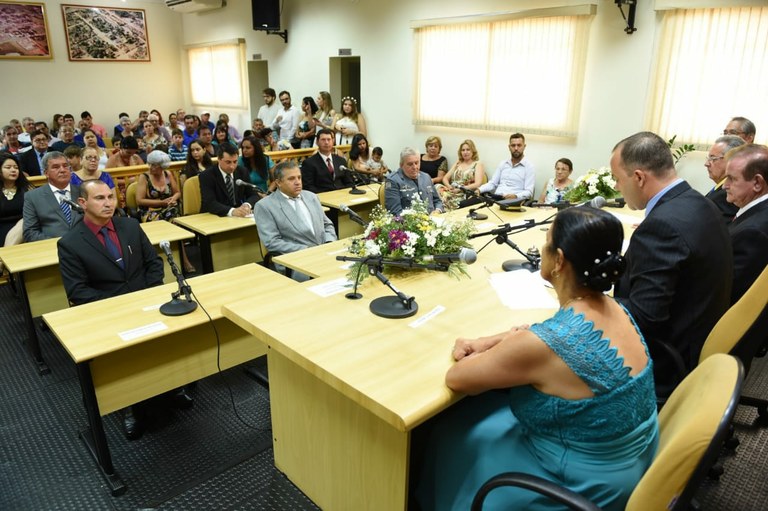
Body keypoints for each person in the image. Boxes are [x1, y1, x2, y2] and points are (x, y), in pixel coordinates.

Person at [415, 206, 658, 511]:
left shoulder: (548, 343)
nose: (542, 250)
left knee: (450, 432)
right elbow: (548, 342)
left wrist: (500, 345)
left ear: (559, 260)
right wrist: (499, 341)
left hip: (582, 486)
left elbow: (458, 378)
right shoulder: (615, 307)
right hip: (631, 463)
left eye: (546, 243)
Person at [57, 179, 193, 440]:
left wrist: (149, 293)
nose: (108, 203)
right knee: (125, 361)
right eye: (100, 198)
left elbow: (153, 264)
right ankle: (129, 406)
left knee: (169, 344)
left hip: (146, 300)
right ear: (83, 203)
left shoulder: (130, 226)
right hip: (108, 312)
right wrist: (121, 305)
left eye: (110, 197)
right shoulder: (70, 243)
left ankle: (173, 386)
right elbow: (77, 291)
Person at [611, 131, 732, 397]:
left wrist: (587, 299)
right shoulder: (700, 203)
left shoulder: (662, 225)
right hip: (697, 343)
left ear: (639, 177)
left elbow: (644, 318)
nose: (617, 187)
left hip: (666, 365)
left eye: (617, 179)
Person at [254, 160, 337, 257]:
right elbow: (272, 242)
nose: (297, 182)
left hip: (325, 252)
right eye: (291, 179)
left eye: (299, 177)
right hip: (296, 257)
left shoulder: (311, 197)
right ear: (278, 183)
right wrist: (308, 250)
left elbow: (327, 225)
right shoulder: (265, 206)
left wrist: (329, 242)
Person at [723, 144, 768, 304]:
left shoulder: (753, 232)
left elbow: (727, 290)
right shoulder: (755, 213)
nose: (724, 185)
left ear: (757, 183)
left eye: (732, 178)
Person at [22, 151, 81, 242]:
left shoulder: (83, 191)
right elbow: (30, 232)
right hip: (52, 246)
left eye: (65, 166)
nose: (62, 170)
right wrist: (59, 243)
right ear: (46, 173)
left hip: (84, 243)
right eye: (56, 167)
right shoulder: (33, 197)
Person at [199, 143, 259, 217]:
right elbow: (209, 203)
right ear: (219, 159)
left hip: (238, 217)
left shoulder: (242, 172)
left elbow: (253, 195)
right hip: (214, 216)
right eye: (228, 162)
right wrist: (232, 211)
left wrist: (246, 205)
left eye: (235, 162)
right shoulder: (206, 176)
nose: (232, 166)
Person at [385, 147, 444, 215]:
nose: (415, 167)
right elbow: (395, 212)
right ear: (401, 165)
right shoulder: (392, 181)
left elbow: (437, 201)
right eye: (410, 164)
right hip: (411, 220)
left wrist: (437, 210)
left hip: (434, 218)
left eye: (416, 163)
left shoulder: (426, 177)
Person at [478, 132, 535, 200]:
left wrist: (516, 196)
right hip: (496, 198)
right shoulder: (503, 163)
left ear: (524, 146)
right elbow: (492, 183)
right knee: (472, 202)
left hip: (514, 201)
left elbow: (529, 192)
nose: (516, 148)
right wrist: (479, 190)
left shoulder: (529, 167)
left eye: (519, 145)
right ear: (509, 147)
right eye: (513, 145)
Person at [435, 139, 486, 210]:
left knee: (444, 197)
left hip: (464, 192)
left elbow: (478, 183)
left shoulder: (478, 164)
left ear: (473, 151)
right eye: (463, 150)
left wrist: (461, 189)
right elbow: (445, 178)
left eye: (468, 150)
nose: (465, 152)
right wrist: (449, 186)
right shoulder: (458, 163)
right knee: (436, 186)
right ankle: (439, 208)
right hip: (452, 190)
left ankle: (444, 209)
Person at [704, 135, 744, 223]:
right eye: (708, 158)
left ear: (731, 160)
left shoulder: (727, 195)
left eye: (713, 158)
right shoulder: (719, 188)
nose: (706, 164)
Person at [300, 128, 353, 193]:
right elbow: (308, 187)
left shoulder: (341, 160)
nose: (326, 142)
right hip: (322, 195)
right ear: (317, 142)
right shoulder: (309, 163)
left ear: (333, 141)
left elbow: (349, 182)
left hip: (342, 194)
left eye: (329, 139)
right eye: (323, 140)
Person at [0, 153, 31, 246]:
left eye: (16, 167)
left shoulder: (27, 189)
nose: (13, 170)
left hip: (23, 229)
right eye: (8, 167)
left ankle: (7, 252)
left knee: (23, 222)